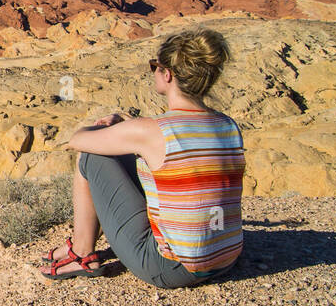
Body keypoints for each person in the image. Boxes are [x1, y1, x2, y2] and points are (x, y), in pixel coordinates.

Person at [40, 27, 245, 287]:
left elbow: (78, 139)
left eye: (154, 66)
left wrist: (108, 128)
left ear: (167, 74)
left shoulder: (153, 130)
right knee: (137, 160)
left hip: (171, 269)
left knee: (92, 154)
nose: (153, 72)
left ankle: (82, 252)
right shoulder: (228, 124)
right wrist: (126, 127)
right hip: (227, 258)